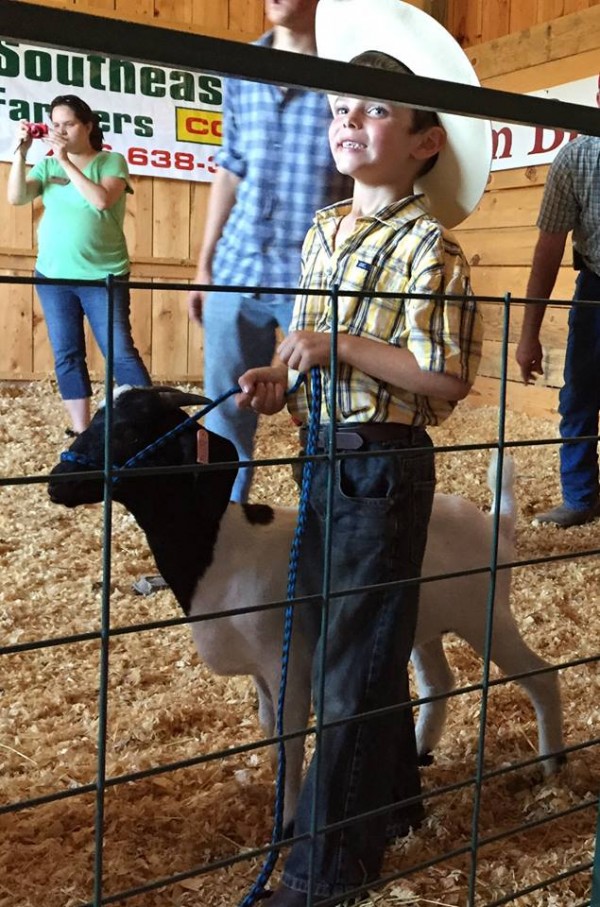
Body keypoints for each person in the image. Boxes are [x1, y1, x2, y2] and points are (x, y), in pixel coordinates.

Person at [235, 1, 492, 904]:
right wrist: (281, 372)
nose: (350, 120)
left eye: (376, 110)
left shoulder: (434, 246)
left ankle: (325, 867)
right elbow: (308, 333)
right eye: (344, 108)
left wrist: (337, 349)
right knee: (358, 640)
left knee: (349, 658)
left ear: (426, 144)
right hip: (324, 454)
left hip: (385, 463)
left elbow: (446, 378)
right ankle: (395, 803)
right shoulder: (324, 227)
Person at [187, 0, 351, 504]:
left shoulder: (347, 74)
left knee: (329, 413)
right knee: (223, 413)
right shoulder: (243, 69)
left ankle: (325, 534)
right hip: (237, 266)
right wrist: (205, 264)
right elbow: (230, 166)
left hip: (314, 276)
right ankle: (221, 540)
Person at [7, 94, 151, 436]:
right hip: (54, 276)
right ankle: (82, 433)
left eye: (68, 124)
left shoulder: (110, 161)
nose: (61, 131)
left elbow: (101, 201)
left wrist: (66, 161)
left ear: (87, 126)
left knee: (120, 353)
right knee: (67, 353)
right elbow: (16, 197)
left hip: (103, 276)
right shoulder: (46, 165)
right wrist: (21, 152)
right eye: (55, 124)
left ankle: (152, 425)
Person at [515, 77, 600, 528]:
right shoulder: (575, 158)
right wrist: (529, 335)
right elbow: (548, 248)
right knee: (580, 393)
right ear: (599, 98)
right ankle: (581, 496)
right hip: (596, 286)